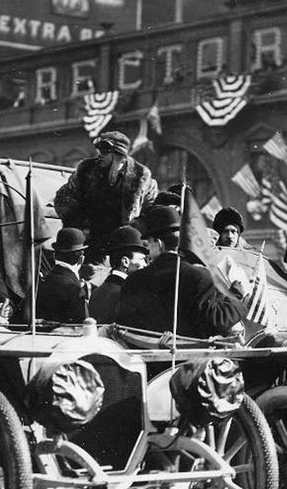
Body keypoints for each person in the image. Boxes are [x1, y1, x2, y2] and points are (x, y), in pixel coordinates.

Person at [117, 205, 245, 338]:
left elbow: (124, 325)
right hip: (188, 357)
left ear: (159, 243)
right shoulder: (200, 277)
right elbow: (218, 321)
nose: (147, 247)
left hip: (143, 356)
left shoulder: (133, 281)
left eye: (148, 242)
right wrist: (236, 295)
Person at [53, 130, 158, 265]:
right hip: (90, 240)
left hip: (124, 243)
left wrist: (135, 229)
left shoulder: (141, 176)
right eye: (98, 151)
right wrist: (79, 223)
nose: (99, 155)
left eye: (104, 152)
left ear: (118, 155)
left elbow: (152, 209)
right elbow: (63, 198)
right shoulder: (85, 170)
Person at [89, 225, 148, 323]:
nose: (145, 265)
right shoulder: (128, 294)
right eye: (142, 259)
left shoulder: (96, 292)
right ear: (125, 262)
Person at [35, 227, 89, 323]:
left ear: (55, 255)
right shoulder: (75, 290)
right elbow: (83, 326)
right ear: (81, 259)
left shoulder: (40, 283)